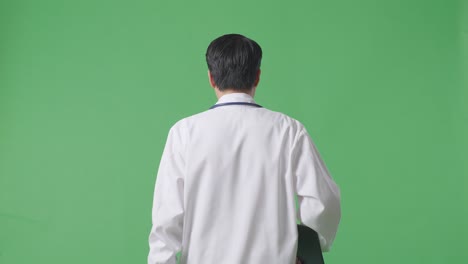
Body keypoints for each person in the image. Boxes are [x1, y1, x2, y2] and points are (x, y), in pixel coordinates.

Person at [147, 33, 341, 264]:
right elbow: (323, 201)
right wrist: (309, 245)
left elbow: (166, 218)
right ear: (257, 76)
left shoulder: (184, 132)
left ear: (211, 78)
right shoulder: (288, 131)